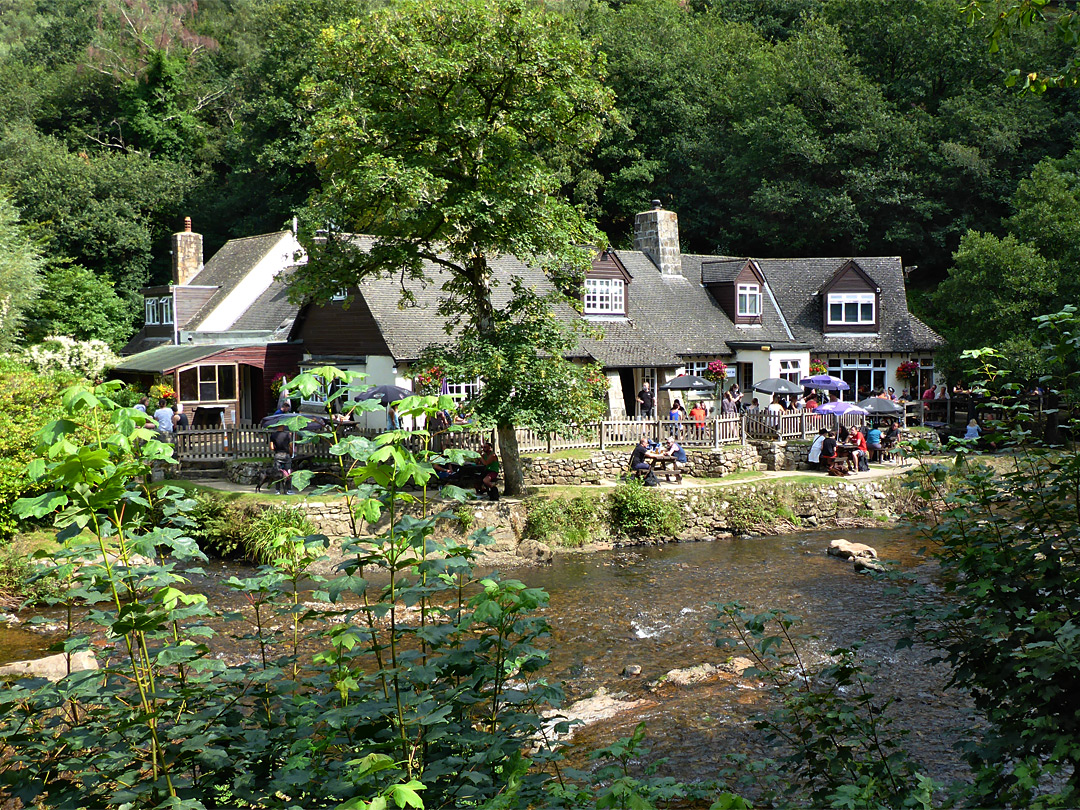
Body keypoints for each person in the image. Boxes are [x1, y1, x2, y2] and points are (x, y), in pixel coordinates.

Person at [268, 422, 294, 495]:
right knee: (288, 472)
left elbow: (272, 447)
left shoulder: (273, 435)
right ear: (283, 426)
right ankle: (288, 490)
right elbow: (291, 446)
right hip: (286, 455)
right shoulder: (288, 435)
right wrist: (291, 453)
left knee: (277, 473)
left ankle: (277, 490)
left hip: (278, 455)